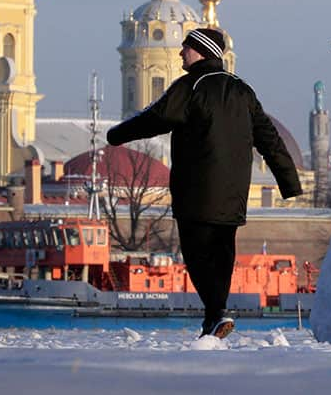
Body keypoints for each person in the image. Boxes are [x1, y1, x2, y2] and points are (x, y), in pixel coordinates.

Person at [106, 28, 302, 338]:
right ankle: (215, 318)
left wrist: (116, 136)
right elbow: (270, 139)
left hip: (197, 188)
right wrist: (289, 183)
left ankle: (216, 314)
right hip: (235, 192)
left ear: (202, 52)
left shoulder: (191, 85)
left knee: (196, 253)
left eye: (186, 47)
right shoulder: (242, 90)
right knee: (222, 253)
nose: (181, 52)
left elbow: (155, 118)